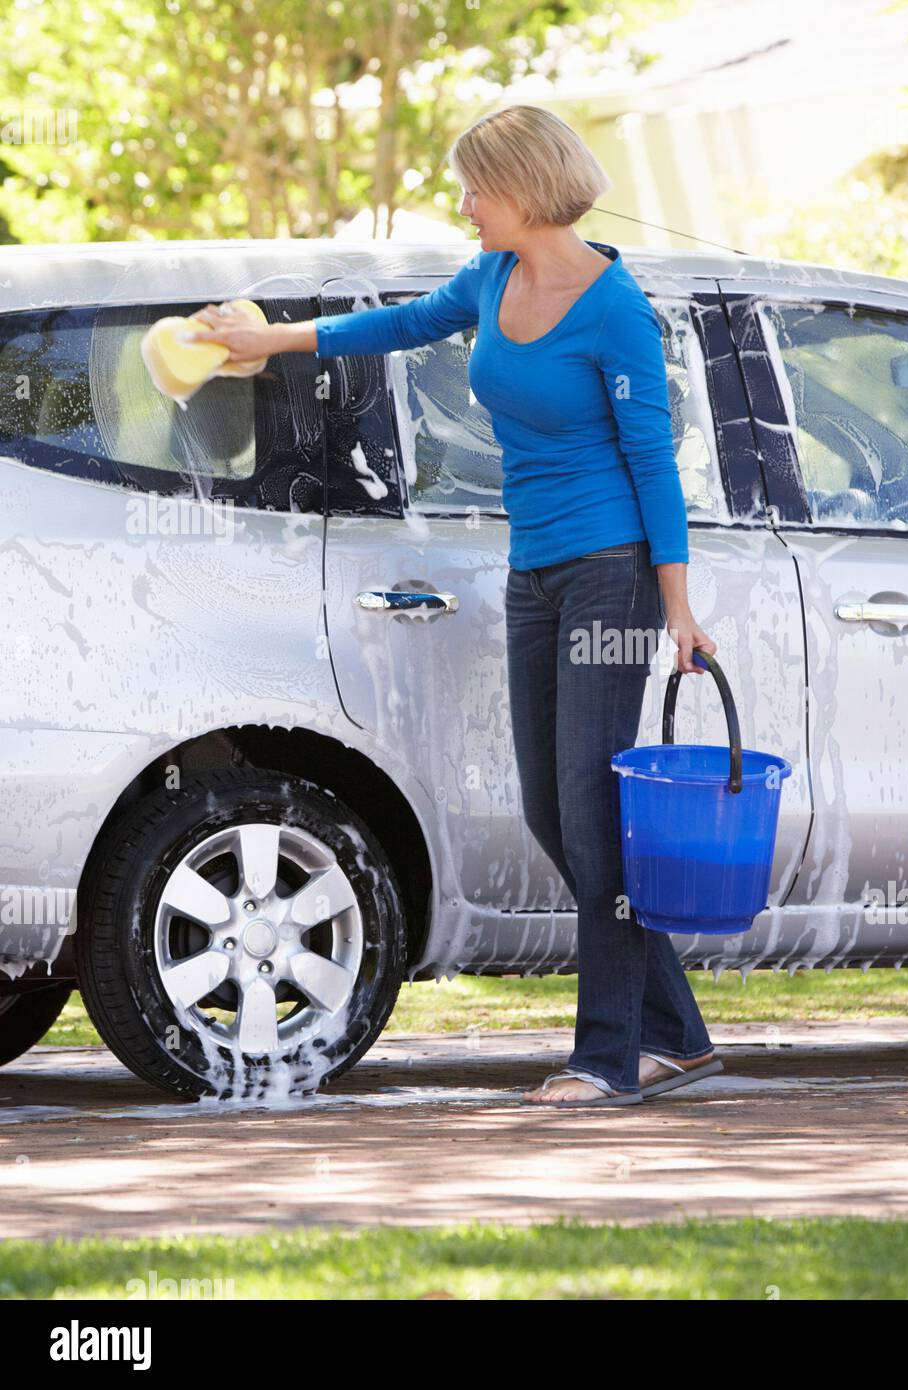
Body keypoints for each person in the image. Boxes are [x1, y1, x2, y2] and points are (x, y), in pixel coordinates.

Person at [190, 103, 723, 1107]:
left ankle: (606, 1057)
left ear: (524, 190)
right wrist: (271, 337)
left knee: (595, 814)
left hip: (613, 573)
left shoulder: (615, 312)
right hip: (537, 573)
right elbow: (396, 323)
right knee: (551, 810)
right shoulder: (492, 279)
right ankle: (681, 1035)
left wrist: (679, 607)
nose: (464, 204)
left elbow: (654, 462)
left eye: (476, 186)